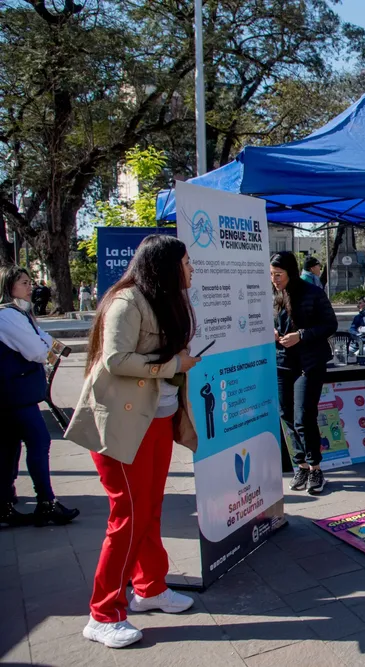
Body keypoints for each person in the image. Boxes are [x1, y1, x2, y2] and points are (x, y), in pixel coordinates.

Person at [64, 235, 201, 648]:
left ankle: (150, 587)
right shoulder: (127, 301)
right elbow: (115, 360)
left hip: (155, 421)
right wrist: (173, 364)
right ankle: (103, 613)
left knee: (150, 509)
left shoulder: (164, 299)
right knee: (128, 516)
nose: (191, 269)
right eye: (187, 262)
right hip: (123, 427)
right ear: (164, 266)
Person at [0, 265, 79, 528]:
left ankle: (6, 504)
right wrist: (46, 349)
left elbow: (49, 342)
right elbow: (38, 350)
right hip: (15, 395)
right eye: (24, 282)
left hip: (18, 394)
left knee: (11, 447)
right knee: (38, 441)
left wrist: (47, 347)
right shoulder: (7, 316)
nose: (30, 286)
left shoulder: (20, 314)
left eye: (29, 281)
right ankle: (45, 502)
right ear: (9, 286)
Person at [270, 251, 339, 496]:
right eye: (271, 275)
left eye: (278, 275)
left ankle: (315, 468)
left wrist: (301, 335)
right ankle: (300, 465)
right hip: (282, 362)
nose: (274, 279)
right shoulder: (274, 295)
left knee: (303, 415)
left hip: (309, 364)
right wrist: (274, 334)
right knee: (286, 414)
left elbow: (330, 324)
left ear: (290, 272)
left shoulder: (312, 293)